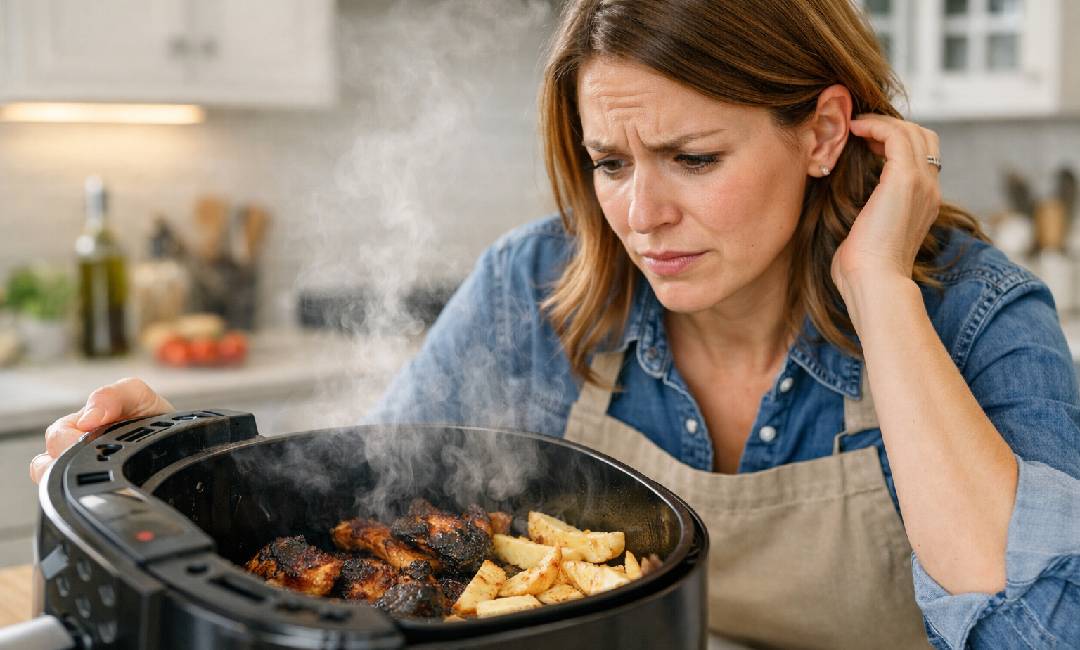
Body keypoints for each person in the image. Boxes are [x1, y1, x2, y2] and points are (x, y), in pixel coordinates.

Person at [31, 1, 1080, 648]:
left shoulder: (974, 313)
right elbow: (371, 512)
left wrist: (882, 291)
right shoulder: (536, 287)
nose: (641, 216)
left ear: (821, 132)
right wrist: (173, 477)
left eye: (695, 159)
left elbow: (1045, 629)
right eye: (610, 163)